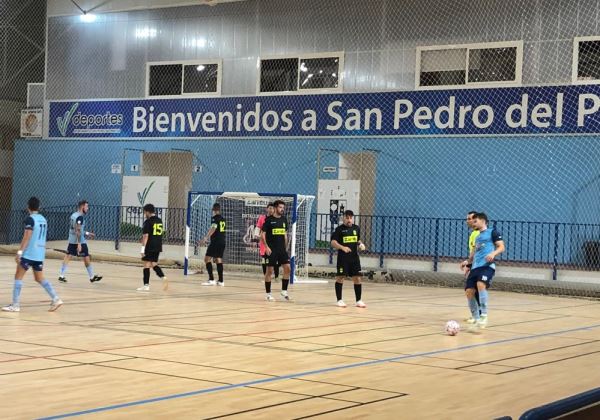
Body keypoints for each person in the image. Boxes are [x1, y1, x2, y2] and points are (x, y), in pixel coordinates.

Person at [2, 197, 63, 312]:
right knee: (39, 278)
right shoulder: (43, 219)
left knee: (18, 277)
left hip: (29, 253)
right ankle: (56, 298)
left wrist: (20, 252)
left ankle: (15, 305)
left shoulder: (30, 219)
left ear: (28, 207)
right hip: (39, 254)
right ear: (39, 207)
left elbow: (27, 236)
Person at [464, 212, 505, 328]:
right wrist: (468, 264)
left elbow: (501, 247)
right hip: (476, 267)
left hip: (487, 266)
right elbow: (473, 254)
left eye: (475, 221)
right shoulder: (477, 237)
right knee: (469, 291)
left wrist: (493, 253)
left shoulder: (492, 232)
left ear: (483, 221)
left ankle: (484, 315)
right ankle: (476, 318)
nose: (473, 223)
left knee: (480, 284)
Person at [58, 200, 102, 283]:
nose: (87, 208)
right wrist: (79, 244)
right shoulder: (80, 217)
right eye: (87, 206)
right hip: (79, 241)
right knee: (86, 257)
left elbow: (77, 229)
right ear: (82, 207)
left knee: (68, 256)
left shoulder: (73, 215)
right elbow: (78, 230)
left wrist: (88, 233)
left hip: (72, 240)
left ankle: (61, 275)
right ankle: (92, 276)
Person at [331, 210, 367, 308]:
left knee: (357, 278)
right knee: (340, 277)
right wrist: (343, 248)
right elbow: (333, 242)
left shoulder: (356, 228)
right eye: (347, 218)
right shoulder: (339, 229)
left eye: (351, 218)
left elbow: (357, 239)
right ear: (343, 218)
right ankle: (339, 300)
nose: (349, 220)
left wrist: (360, 244)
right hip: (343, 259)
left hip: (354, 258)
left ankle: (358, 300)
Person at [260, 200, 291, 301]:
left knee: (288, 268)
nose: (282, 209)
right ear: (276, 208)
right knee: (269, 271)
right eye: (280, 207)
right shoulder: (269, 220)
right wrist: (266, 247)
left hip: (282, 250)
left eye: (283, 208)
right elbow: (262, 234)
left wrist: (286, 248)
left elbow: (285, 235)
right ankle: (268, 294)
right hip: (271, 250)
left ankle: (284, 291)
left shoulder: (284, 220)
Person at [138, 204, 167, 291]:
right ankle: (163, 277)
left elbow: (146, 236)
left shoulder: (148, 222)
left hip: (150, 246)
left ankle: (146, 285)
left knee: (146, 265)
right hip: (158, 245)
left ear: (147, 211)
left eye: (144, 212)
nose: (144, 214)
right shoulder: (159, 220)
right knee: (154, 263)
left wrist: (142, 249)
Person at [459, 211, 480, 323]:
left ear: (475, 220)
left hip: (479, 266)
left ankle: (478, 316)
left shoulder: (477, 234)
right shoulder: (474, 233)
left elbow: (475, 252)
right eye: (467, 218)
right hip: (475, 265)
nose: (467, 221)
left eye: (469, 218)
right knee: (472, 290)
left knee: (470, 290)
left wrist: (468, 263)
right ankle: (477, 316)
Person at [200, 203, 226, 286]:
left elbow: (213, 228)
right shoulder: (223, 219)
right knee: (219, 259)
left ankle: (211, 279)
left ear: (214, 210)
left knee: (207, 259)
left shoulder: (215, 219)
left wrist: (206, 237)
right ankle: (221, 281)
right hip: (222, 241)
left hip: (215, 242)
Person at [256, 203, 279, 280]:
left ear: (274, 210)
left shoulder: (276, 219)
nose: (271, 210)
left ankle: (276, 276)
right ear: (267, 209)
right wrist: (257, 235)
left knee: (275, 259)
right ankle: (265, 276)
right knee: (264, 259)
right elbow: (258, 228)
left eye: (272, 208)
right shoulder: (262, 218)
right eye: (269, 208)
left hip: (274, 242)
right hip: (264, 242)